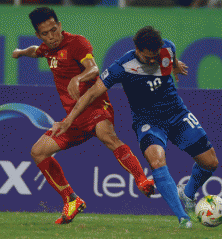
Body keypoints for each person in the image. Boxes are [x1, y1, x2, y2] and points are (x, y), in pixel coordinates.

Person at [51, 26, 219, 228]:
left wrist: (174, 67)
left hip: (177, 114)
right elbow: (93, 93)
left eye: (154, 56)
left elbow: (171, 61)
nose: (152, 60)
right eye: (147, 57)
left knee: (210, 163)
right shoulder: (122, 66)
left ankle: (188, 193)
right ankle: (183, 218)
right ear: (137, 50)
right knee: (156, 160)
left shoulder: (167, 48)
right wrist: (69, 119)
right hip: (148, 121)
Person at [12, 7, 155, 225]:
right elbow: (36, 51)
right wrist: (21, 52)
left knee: (107, 134)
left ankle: (142, 180)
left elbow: (94, 69)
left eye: (53, 30)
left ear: (59, 25)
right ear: (39, 35)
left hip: (96, 106)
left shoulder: (77, 43)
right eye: (45, 33)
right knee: (38, 152)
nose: (51, 36)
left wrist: (78, 78)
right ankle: (71, 199)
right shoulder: (46, 48)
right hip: (73, 118)